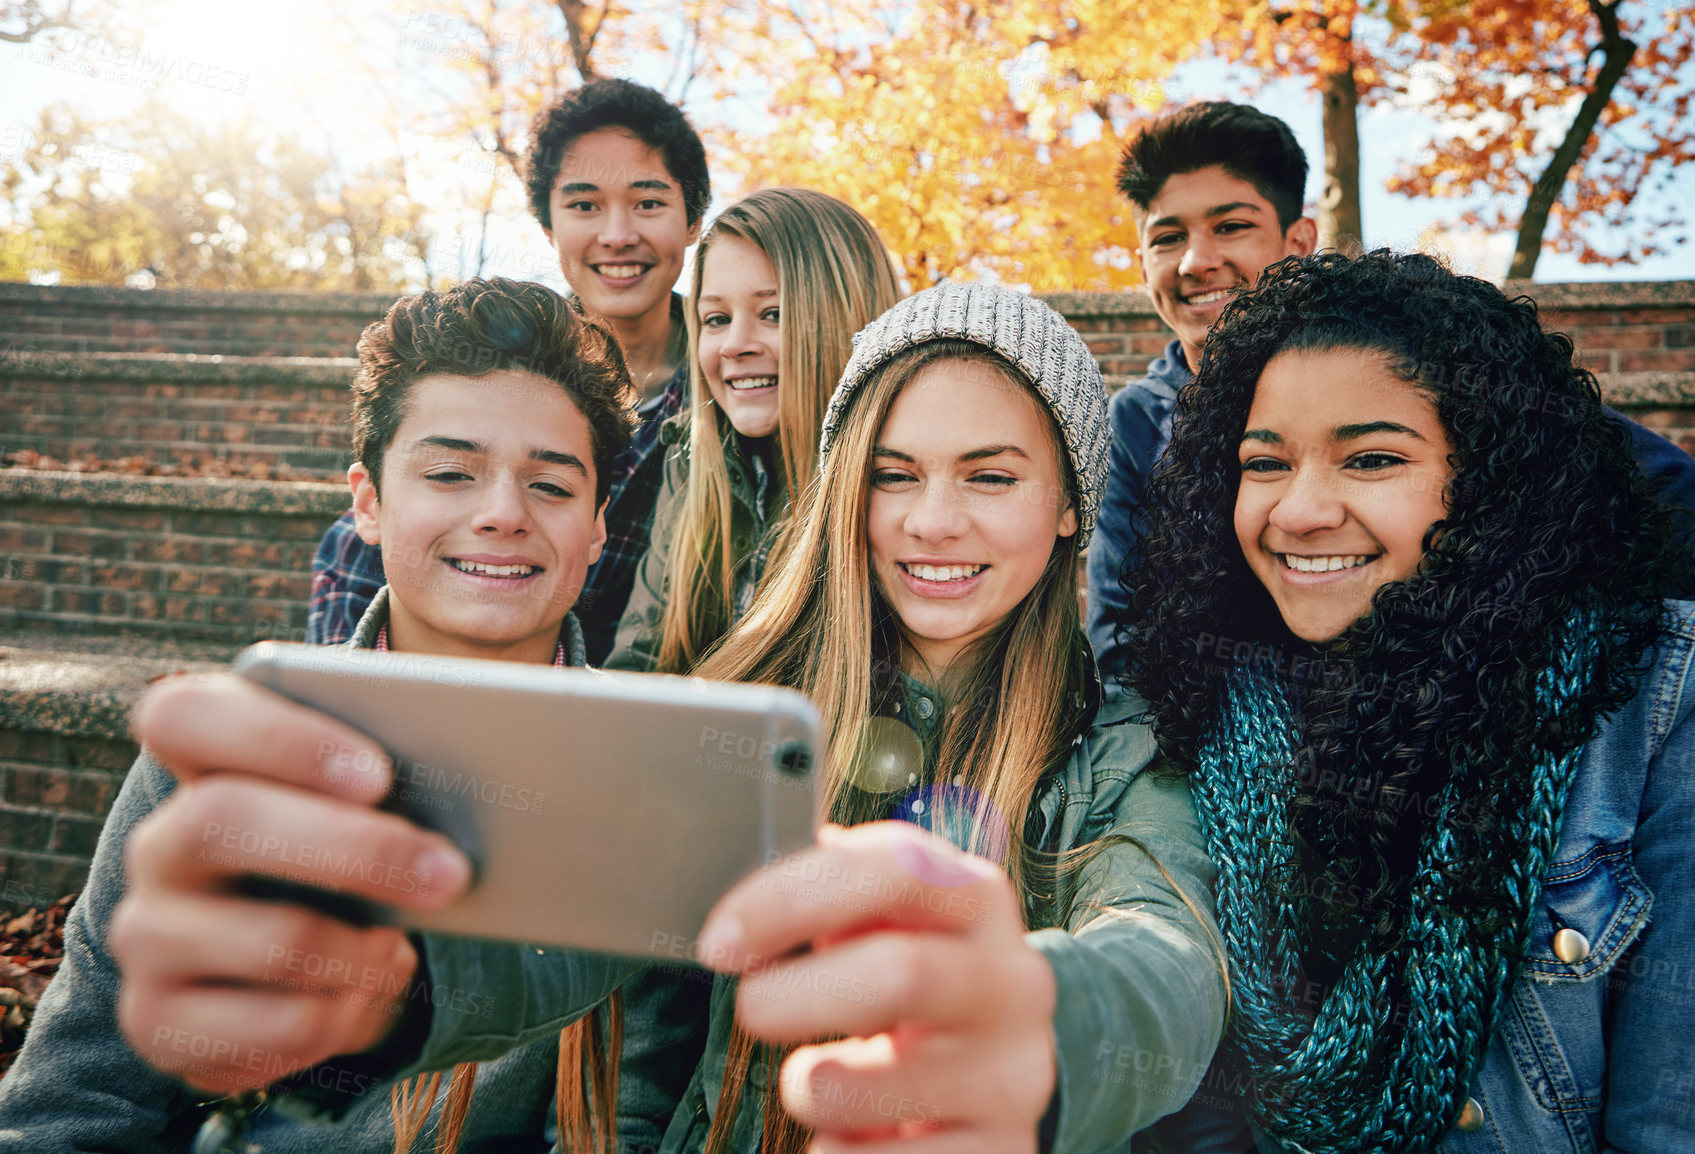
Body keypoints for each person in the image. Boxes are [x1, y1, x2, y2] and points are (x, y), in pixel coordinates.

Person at [108, 283, 1227, 1154]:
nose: (933, 522)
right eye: (893, 473)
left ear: (1072, 499)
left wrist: (1044, 1026)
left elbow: (1165, 960)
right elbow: (590, 951)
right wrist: (397, 986)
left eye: (989, 477)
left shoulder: (1121, 743)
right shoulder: (737, 708)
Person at [0, 278, 636, 1153]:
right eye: (450, 473)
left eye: (552, 487)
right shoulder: (242, 761)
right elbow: (71, 1106)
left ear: (599, 528)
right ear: (368, 503)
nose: (501, 514)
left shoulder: (654, 780)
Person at [1124, 251, 1695, 1153]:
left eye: (1372, 459)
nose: (1299, 510)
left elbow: (1682, 1129)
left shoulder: (1675, 696)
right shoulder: (1205, 711)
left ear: (1492, 480)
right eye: (1265, 462)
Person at [1087, 102, 1695, 685]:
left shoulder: (1408, 363)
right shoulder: (1141, 421)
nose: (1196, 261)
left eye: (1230, 226)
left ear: (1299, 242)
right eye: (1167, 237)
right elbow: (1120, 643)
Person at [307, 77, 712, 661]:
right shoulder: (498, 367)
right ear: (548, 227)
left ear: (693, 221)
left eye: (649, 203)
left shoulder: (735, 393)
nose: (618, 235)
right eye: (583, 205)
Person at [606, 187, 902, 673]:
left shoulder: (894, 485)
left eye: (773, 314)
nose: (734, 345)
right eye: (716, 320)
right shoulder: (692, 461)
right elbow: (639, 665)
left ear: (849, 320)